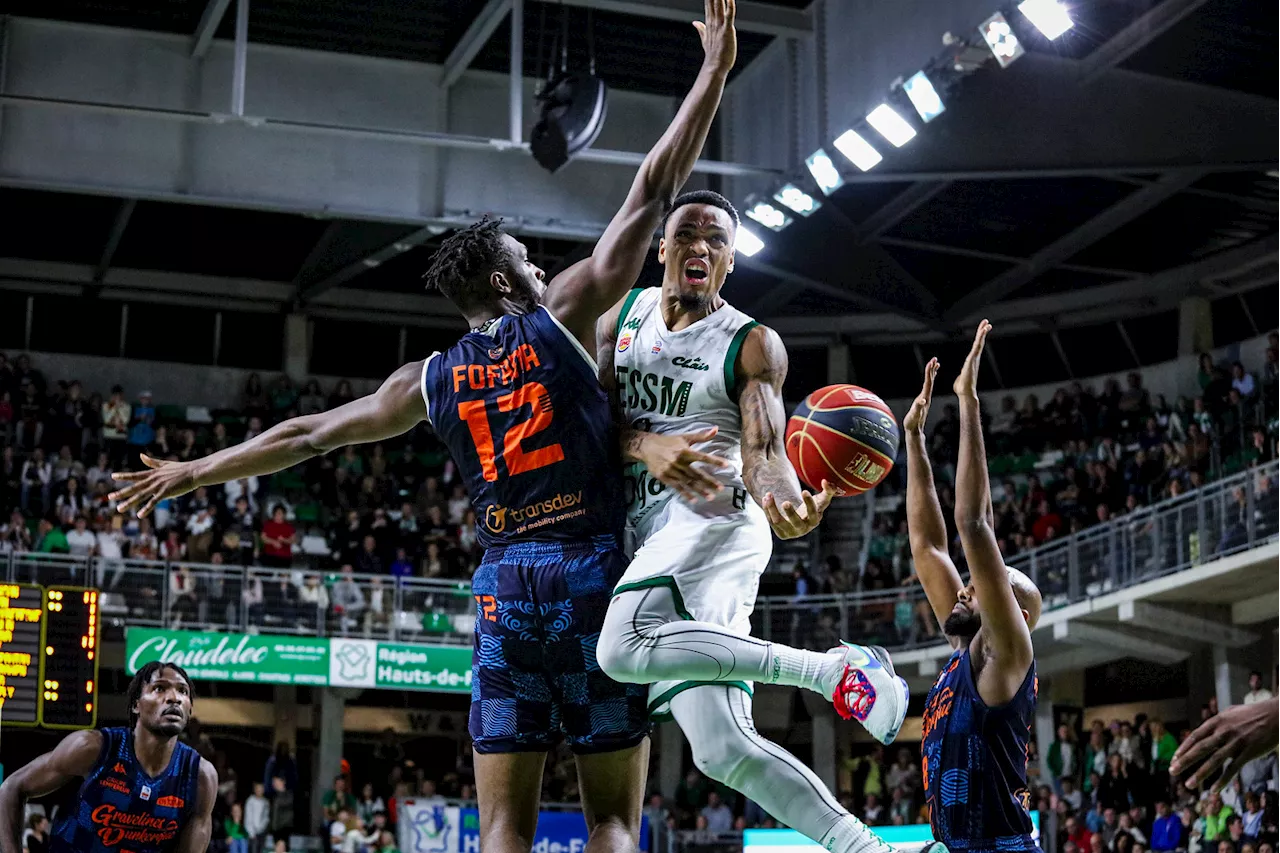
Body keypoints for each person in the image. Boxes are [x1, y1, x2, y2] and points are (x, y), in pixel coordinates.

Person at [108, 3, 738, 849]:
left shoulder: (426, 380)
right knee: (615, 818)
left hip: (505, 589)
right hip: (590, 569)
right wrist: (713, 71)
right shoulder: (557, 311)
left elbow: (304, 436)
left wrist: (190, 472)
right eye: (527, 257)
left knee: (504, 823)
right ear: (512, 286)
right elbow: (656, 187)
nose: (542, 264)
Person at [592, 188, 912, 853]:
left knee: (620, 646)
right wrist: (644, 444)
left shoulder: (751, 343)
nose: (699, 246)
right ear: (663, 249)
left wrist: (784, 499)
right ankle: (869, 849)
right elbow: (599, 425)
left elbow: (764, 451)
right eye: (686, 234)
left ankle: (830, 672)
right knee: (721, 748)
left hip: (715, 516)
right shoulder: (619, 320)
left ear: (730, 261)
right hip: (652, 533)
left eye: (715, 239)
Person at [904, 325, 1043, 853]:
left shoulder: (1008, 654)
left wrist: (967, 403)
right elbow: (927, 548)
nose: (965, 589)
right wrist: (913, 441)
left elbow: (973, 523)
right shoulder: (968, 650)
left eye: (985, 585)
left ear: (1016, 615)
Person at [0, 661, 217, 853]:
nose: (174, 698)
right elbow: (11, 788)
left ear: (189, 711)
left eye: (183, 691)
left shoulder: (200, 776)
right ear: (136, 705)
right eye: (159, 688)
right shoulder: (93, 748)